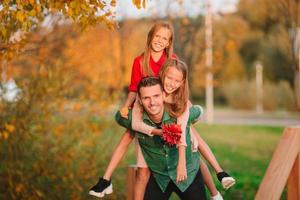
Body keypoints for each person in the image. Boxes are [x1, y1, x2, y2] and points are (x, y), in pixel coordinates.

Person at [89, 21, 176, 199]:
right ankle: (106, 179)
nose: (160, 40)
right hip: (142, 108)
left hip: (163, 109)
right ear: (151, 36)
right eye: (157, 36)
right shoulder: (139, 61)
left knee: (189, 142)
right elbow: (134, 89)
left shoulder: (171, 61)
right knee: (130, 138)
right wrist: (126, 106)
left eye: (164, 38)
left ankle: (217, 177)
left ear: (168, 42)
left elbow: (177, 85)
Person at [131, 59, 235, 200]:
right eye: (169, 78)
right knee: (194, 140)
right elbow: (135, 123)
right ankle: (217, 184)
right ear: (162, 74)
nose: (172, 84)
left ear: (182, 82)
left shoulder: (180, 100)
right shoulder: (152, 90)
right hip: (170, 133)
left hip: (186, 120)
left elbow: (183, 126)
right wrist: (159, 132)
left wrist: (181, 163)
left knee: (195, 141)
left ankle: (220, 173)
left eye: (177, 80)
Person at [116, 76, 207, 200]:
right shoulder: (138, 120)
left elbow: (198, 111)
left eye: (156, 96)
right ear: (140, 100)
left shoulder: (179, 113)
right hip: (159, 178)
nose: (152, 102)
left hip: (188, 173)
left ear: (164, 95)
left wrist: (192, 113)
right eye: (146, 98)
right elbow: (119, 117)